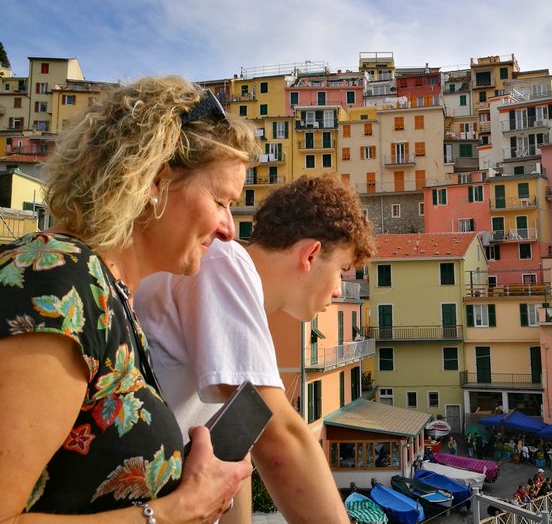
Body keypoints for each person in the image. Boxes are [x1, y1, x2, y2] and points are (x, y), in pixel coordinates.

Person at [0, 76, 258, 521]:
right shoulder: (55, 280)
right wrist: (180, 509)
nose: (228, 229)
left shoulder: (106, 293)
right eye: (220, 200)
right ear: (157, 181)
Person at [134, 174, 375, 523]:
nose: (339, 290)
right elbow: (280, 441)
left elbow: (235, 451)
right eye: (341, 270)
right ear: (311, 254)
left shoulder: (235, 287)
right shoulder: (222, 261)